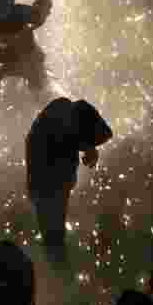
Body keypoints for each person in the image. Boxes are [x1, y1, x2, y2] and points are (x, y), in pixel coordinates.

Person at [26, 98, 113, 251]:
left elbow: (99, 133)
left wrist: (89, 147)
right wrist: (88, 148)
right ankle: (55, 252)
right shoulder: (53, 135)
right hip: (45, 170)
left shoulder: (68, 114)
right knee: (51, 224)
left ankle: (54, 246)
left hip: (51, 159)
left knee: (53, 216)